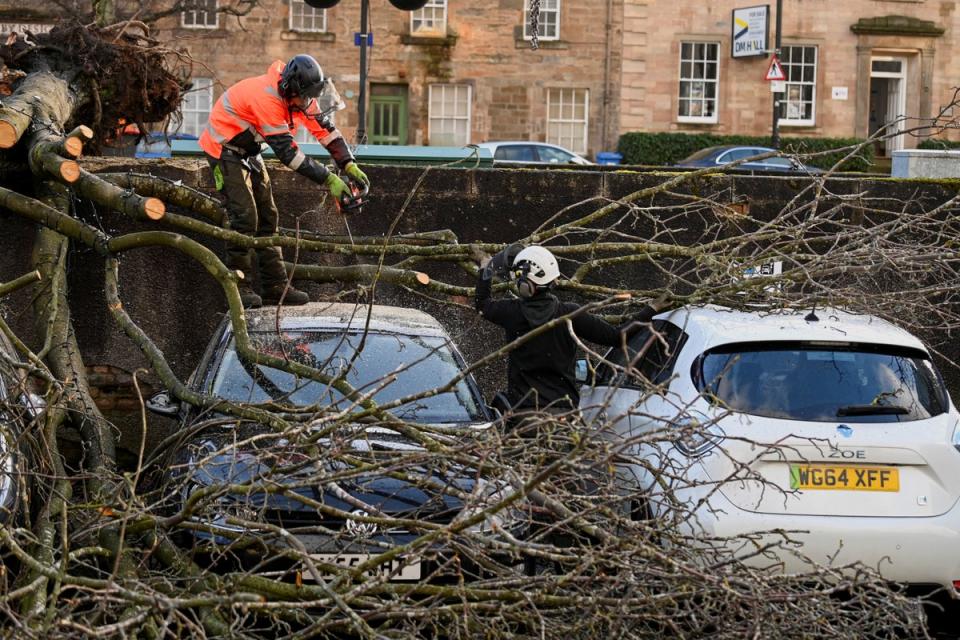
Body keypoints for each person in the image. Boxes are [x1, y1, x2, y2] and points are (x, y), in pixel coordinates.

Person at [199, 54, 370, 308]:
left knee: (268, 217)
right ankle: (238, 286)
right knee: (244, 216)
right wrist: (330, 178)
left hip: (248, 150)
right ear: (290, 89)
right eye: (304, 97)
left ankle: (276, 286)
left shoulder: (302, 96)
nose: (307, 102)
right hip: (223, 149)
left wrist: (348, 162)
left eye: (310, 96)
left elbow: (326, 131)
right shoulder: (266, 99)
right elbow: (289, 155)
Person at [475, 244, 672, 417]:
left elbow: (482, 305)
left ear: (525, 285)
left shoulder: (512, 312)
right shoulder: (570, 314)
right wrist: (651, 309)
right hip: (564, 413)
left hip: (524, 415)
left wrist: (486, 267)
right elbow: (617, 337)